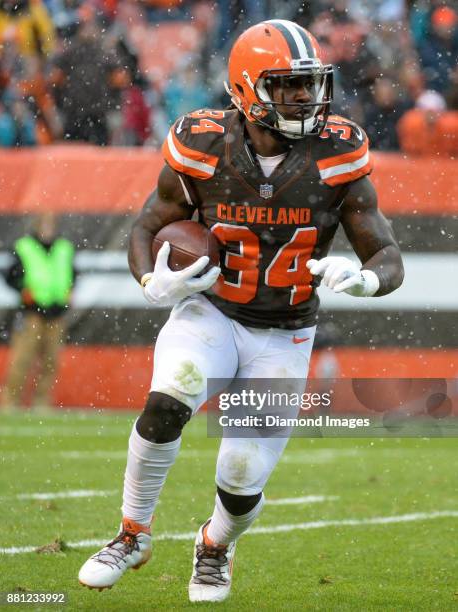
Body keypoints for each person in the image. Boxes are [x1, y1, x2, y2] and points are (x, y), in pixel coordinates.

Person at [78, 20, 404, 603]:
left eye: (312, 85)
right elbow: (148, 223)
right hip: (212, 311)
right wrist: (152, 279)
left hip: (285, 332)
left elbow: (385, 252)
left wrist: (365, 277)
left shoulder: (338, 151)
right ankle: (132, 532)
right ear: (245, 89)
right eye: (288, 86)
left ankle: (215, 545)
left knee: (242, 471)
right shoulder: (202, 144)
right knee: (169, 396)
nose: (307, 100)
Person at [0, 213, 75, 413]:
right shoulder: (24, 247)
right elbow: (10, 275)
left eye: (51, 225)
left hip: (56, 312)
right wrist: (23, 290)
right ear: (36, 226)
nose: (48, 230)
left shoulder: (63, 248)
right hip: (32, 312)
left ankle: (41, 403)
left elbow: (73, 274)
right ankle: (10, 403)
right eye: (45, 225)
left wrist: (69, 291)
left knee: (51, 361)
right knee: (22, 359)